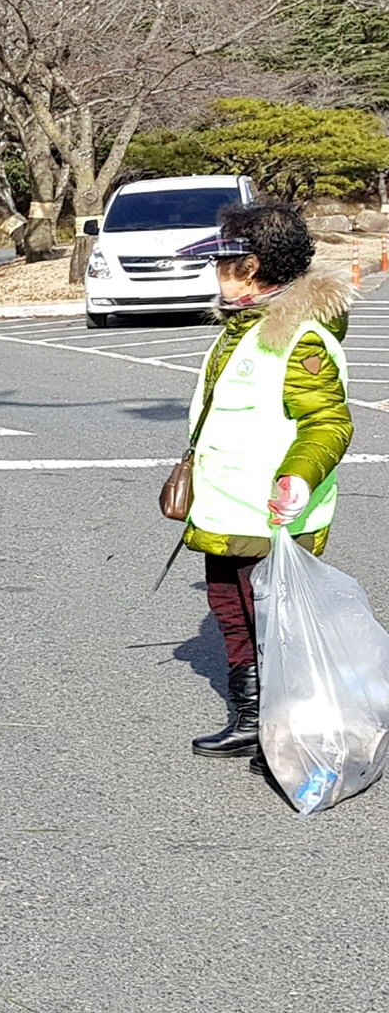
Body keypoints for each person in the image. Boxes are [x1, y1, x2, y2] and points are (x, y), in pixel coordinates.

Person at [181, 203, 350, 759]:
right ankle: (253, 719)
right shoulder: (244, 328)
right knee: (232, 610)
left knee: (276, 624)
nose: (215, 274)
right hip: (227, 506)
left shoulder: (298, 338)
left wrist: (299, 478)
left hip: (272, 509)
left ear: (249, 268)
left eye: (221, 264)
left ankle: (293, 730)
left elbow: (328, 422)